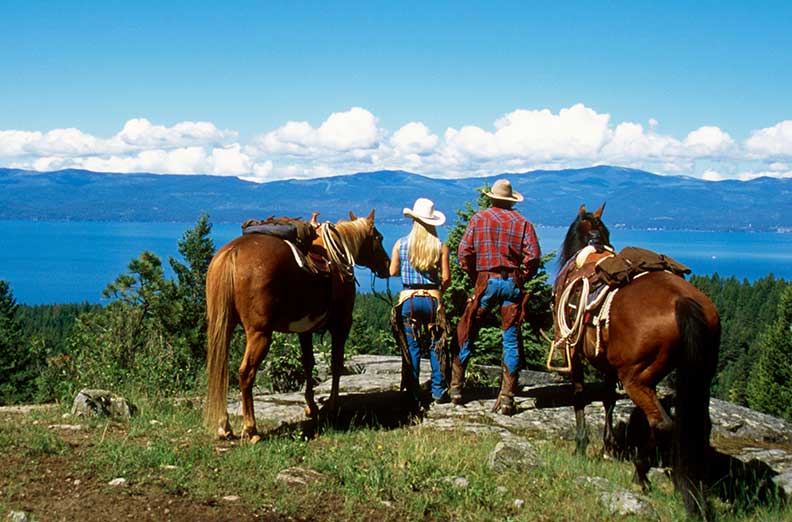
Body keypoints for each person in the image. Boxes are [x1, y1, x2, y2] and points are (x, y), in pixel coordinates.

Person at [453, 179, 541, 415]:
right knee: (510, 338)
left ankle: (456, 388)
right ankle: (508, 397)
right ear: (510, 201)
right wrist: (520, 275)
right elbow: (533, 257)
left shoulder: (479, 219)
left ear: (492, 198)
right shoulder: (523, 223)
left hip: (486, 281)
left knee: (469, 328)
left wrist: (475, 277)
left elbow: (464, 252)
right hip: (511, 283)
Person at [389, 197, 451, 404]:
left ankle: (412, 392)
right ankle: (438, 390)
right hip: (433, 301)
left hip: (409, 301)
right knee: (437, 346)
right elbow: (445, 278)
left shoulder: (400, 243)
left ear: (414, 220)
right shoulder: (441, 246)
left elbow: (393, 271)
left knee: (412, 347)